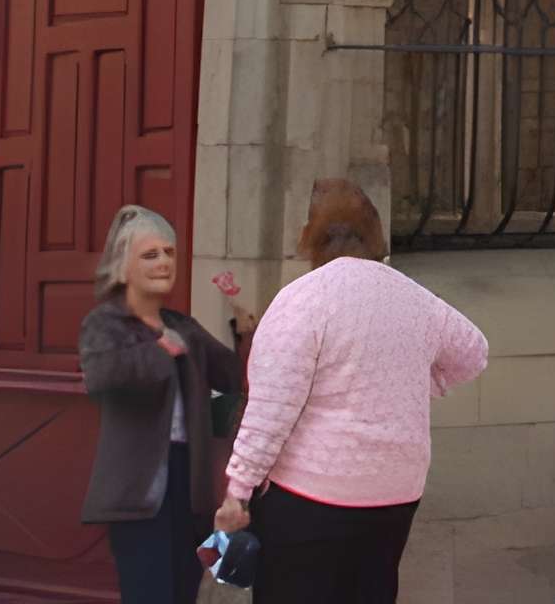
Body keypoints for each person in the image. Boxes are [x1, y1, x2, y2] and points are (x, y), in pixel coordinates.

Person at [213, 179, 489, 603]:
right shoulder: (416, 300)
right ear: (376, 237)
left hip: (311, 495)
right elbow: (474, 352)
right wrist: (424, 381)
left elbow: (271, 409)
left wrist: (238, 491)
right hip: (395, 492)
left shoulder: (303, 300)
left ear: (310, 238)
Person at [80, 206, 246, 604]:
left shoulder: (182, 325)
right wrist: (158, 353)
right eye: (150, 255)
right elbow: (101, 377)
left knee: (182, 591)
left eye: (169, 253)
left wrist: (246, 332)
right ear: (123, 265)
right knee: (149, 594)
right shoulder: (104, 324)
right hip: (137, 494)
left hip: (188, 488)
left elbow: (232, 376)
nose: (165, 262)